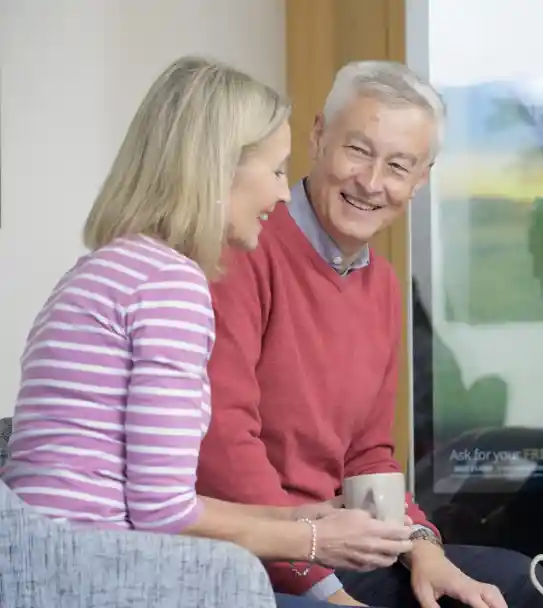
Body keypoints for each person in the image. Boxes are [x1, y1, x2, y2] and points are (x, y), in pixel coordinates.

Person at [0, 56, 406, 608]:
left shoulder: (107, 268)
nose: (285, 196)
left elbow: (147, 498)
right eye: (278, 170)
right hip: (102, 577)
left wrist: (293, 515)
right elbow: (164, 512)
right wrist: (313, 539)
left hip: (51, 567)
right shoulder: (169, 284)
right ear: (220, 169)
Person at [194, 60, 543, 608]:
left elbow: (368, 456)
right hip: (253, 555)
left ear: (420, 179)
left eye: (399, 165)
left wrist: (424, 550)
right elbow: (222, 448)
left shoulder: (381, 285)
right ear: (318, 137)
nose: (372, 182)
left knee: (516, 583)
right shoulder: (243, 246)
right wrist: (330, 594)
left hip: (339, 547)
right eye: (357, 150)